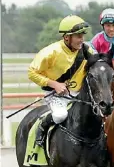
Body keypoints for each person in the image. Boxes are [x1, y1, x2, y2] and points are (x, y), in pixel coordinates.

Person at [28, 15, 93, 147]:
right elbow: (31, 73)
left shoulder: (87, 50)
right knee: (60, 115)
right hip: (55, 95)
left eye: (82, 36)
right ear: (67, 37)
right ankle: (42, 127)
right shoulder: (50, 52)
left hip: (79, 95)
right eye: (78, 36)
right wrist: (55, 84)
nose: (82, 40)